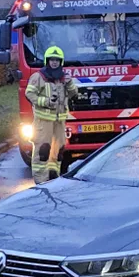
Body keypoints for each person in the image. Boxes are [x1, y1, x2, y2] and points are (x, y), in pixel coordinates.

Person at [25, 46, 79, 183]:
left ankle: (53, 177)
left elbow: (74, 94)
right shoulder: (38, 77)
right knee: (42, 151)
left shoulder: (64, 77)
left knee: (58, 151)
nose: (54, 62)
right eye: (51, 60)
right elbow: (29, 94)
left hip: (59, 121)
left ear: (61, 62)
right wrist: (46, 101)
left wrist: (70, 83)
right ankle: (40, 181)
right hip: (43, 121)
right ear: (47, 61)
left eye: (57, 60)